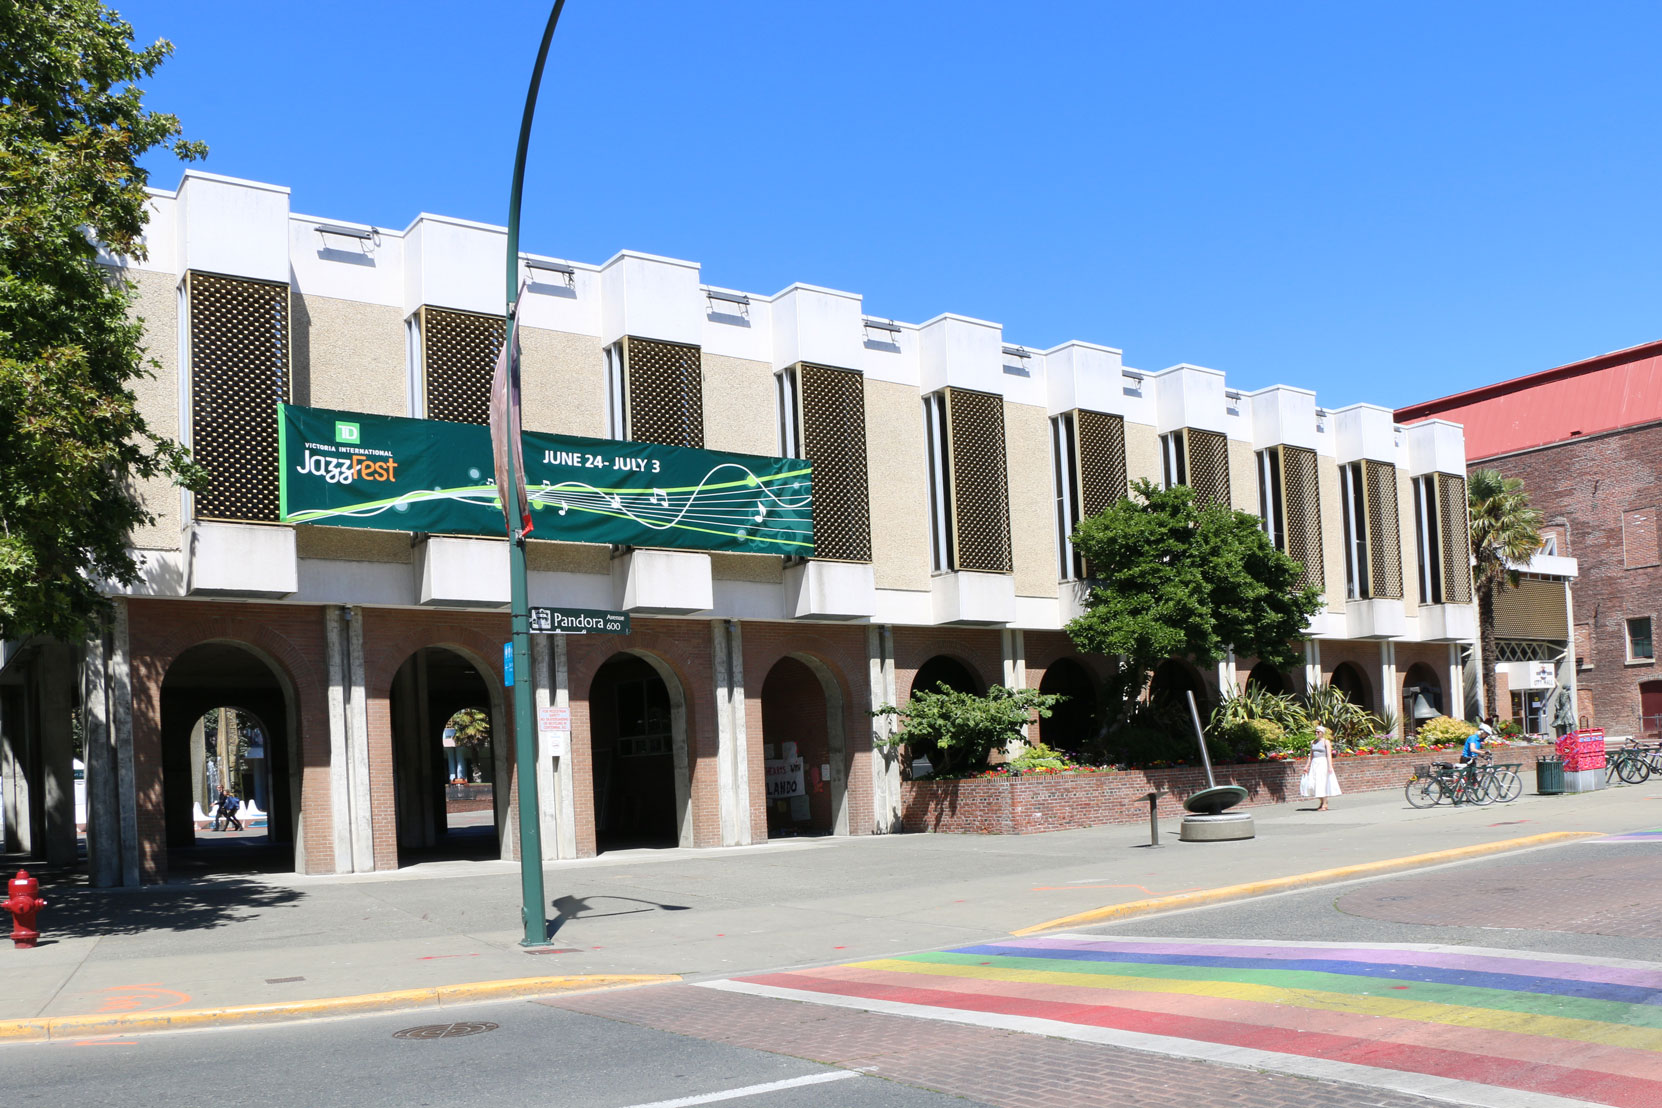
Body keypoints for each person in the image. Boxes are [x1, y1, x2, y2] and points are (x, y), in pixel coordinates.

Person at [1302, 724, 1342, 812]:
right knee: (1314, 783)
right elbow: (1311, 755)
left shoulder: (1326, 742)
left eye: (1318, 732)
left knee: (1321, 782)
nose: (1316, 733)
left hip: (1322, 763)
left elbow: (1328, 755)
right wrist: (1307, 766)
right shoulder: (1313, 742)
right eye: (1316, 731)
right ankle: (1322, 801)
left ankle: (1324, 804)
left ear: (1322, 733)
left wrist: (1330, 766)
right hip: (1314, 764)